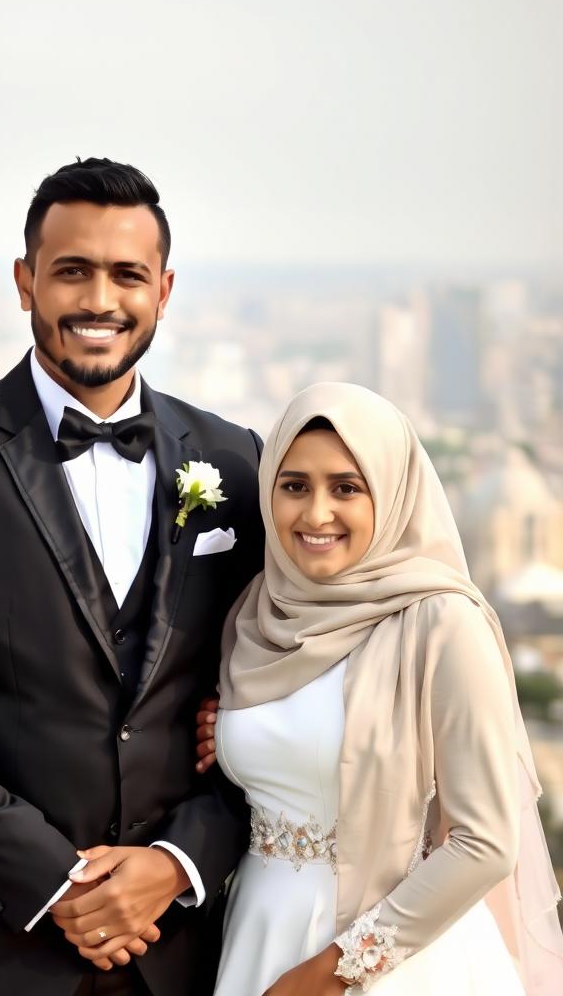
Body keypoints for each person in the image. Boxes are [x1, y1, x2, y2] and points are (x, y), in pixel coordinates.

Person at [0, 158, 266, 996]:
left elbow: (276, 692)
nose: (100, 300)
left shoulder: (236, 460)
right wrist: (54, 882)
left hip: (184, 952)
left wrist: (179, 861)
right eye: (72, 271)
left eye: (127, 275)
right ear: (25, 281)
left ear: (165, 290)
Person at [194, 382, 563, 995]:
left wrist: (334, 972)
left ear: (391, 495)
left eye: (346, 487)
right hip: (259, 932)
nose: (316, 514)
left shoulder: (442, 621)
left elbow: (487, 842)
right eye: (294, 486)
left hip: (393, 956)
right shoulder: (257, 615)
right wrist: (226, 734)